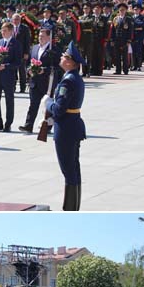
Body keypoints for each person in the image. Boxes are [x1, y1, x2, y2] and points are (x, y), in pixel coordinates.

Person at [43, 41, 87, 211]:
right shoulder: (75, 78)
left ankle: (70, 208)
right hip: (73, 125)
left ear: (69, 62)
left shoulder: (68, 81)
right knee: (74, 168)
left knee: (68, 170)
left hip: (66, 129)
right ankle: (74, 206)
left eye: (64, 56)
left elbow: (59, 109)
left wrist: (48, 103)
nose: (61, 58)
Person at [19, 27, 60, 133]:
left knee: (47, 104)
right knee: (33, 104)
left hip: (47, 82)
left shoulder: (53, 49)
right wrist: (29, 70)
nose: (40, 38)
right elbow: (29, 62)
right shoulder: (34, 48)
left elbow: (57, 67)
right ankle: (28, 125)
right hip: (34, 81)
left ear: (49, 37)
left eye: (43, 36)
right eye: (39, 36)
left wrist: (44, 70)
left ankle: (47, 126)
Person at [0, 20, 21, 132]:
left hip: (8, 76)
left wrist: (5, 66)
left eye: (5, 30)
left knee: (9, 100)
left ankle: (8, 124)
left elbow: (18, 62)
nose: (2, 32)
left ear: (11, 31)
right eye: (2, 30)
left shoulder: (16, 44)